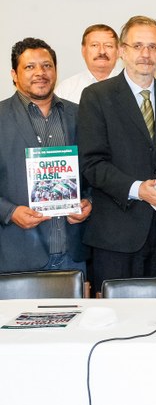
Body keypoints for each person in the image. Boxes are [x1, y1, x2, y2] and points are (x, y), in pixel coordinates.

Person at [78, 16, 156, 292]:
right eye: (138, 46)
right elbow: (92, 163)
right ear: (122, 50)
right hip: (117, 235)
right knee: (119, 315)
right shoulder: (96, 96)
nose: (146, 54)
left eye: (153, 47)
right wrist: (138, 189)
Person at [0, 38, 91, 274]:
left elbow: (95, 170)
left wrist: (89, 202)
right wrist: (10, 212)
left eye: (47, 66)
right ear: (14, 74)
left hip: (73, 255)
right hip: (16, 254)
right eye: (30, 67)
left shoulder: (80, 114)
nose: (40, 73)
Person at [55, 24, 120, 103]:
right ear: (83, 51)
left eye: (108, 46)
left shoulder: (130, 85)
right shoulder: (66, 89)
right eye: (95, 45)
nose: (102, 51)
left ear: (118, 52)